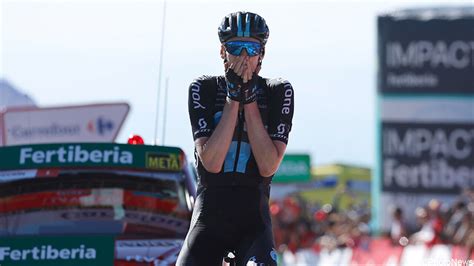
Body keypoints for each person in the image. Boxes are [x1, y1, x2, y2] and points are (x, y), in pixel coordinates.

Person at [177, 11, 294, 266]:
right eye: (235, 48)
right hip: (210, 216)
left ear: (261, 54)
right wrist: (233, 99)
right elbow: (212, 163)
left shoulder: (277, 91)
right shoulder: (204, 88)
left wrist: (249, 99)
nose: (243, 57)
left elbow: (268, 165)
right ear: (222, 52)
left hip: (253, 219)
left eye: (251, 49)